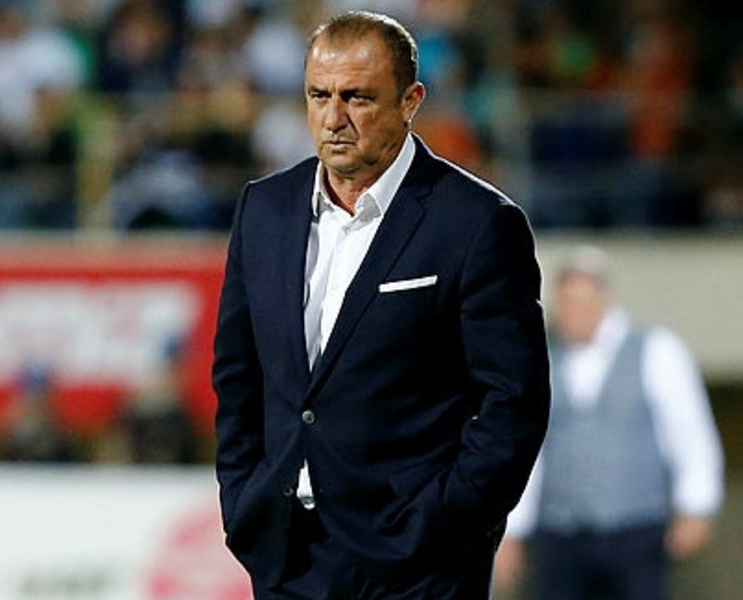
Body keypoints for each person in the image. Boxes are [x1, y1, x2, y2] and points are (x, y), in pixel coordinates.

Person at [212, 11, 550, 599]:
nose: (333, 118)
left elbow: (513, 403)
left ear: (410, 101)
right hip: (289, 555)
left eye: (358, 97)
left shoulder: (476, 223)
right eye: (319, 95)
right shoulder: (263, 209)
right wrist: (244, 500)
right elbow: (238, 378)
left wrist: (446, 520)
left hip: (420, 564)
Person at [495, 246, 725, 600]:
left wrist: (695, 504)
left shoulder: (654, 350)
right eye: (566, 302)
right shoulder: (543, 360)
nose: (573, 312)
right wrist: (512, 529)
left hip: (634, 527)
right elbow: (529, 451)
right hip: (559, 533)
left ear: (603, 299)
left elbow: (689, 433)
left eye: (582, 301)